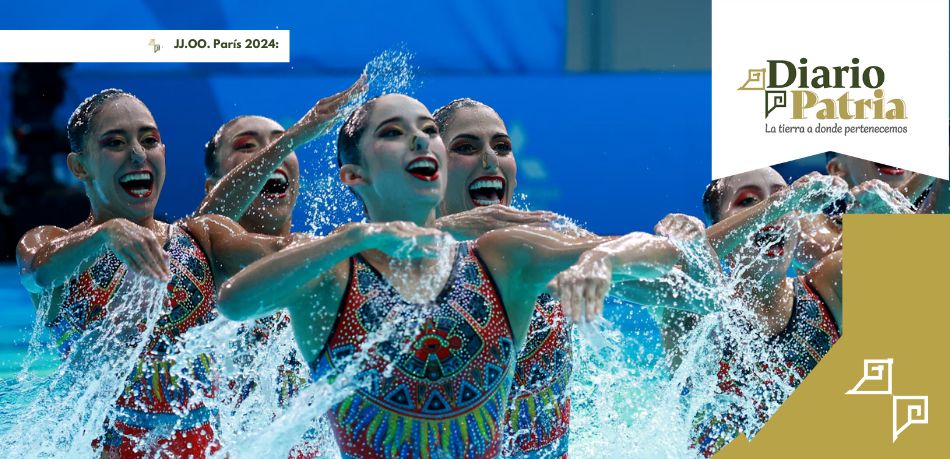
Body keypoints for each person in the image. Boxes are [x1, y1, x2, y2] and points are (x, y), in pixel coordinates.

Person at [216, 94, 691, 458]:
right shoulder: (331, 270)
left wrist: (603, 259)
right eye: (394, 133)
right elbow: (235, 302)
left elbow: (664, 253)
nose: (421, 140)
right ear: (353, 176)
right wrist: (351, 237)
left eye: (428, 131)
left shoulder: (503, 255)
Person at [15, 88, 346, 458]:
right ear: (79, 166)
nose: (138, 154)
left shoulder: (201, 239)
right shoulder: (53, 242)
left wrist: (363, 241)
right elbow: (37, 269)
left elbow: (280, 250)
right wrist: (105, 234)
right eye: (115, 143)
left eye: (149, 140)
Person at [640, 167, 845, 457]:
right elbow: (674, 264)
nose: (774, 211)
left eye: (782, 197)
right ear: (721, 224)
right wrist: (784, 203)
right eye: (748, 201)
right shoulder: (693, 306)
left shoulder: (828, 287)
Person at [433, 98, 571, 458]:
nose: (489, 159)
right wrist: (445, 229)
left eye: (502, 147)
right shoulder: (386, 265)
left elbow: (661, 264)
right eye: (465, 147)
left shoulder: (544, 254)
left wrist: (688, 235)